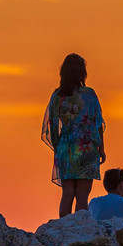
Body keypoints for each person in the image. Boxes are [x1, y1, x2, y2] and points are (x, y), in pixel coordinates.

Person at [41, 54, 105, 218]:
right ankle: (79, 232)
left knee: (67, 194)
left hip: (66, 146)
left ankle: (64, 230)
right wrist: (101, 148)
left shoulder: (57, 96)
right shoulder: (89, 94)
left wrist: (59, 147)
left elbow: (52, 126)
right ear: (82, 73)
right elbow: (97, 123)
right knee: (82, 195)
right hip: (86, 146)